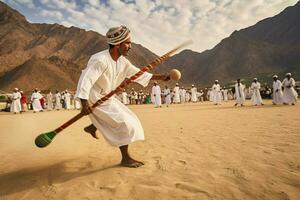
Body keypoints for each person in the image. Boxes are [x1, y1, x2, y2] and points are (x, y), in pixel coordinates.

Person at [75, 25, 170, 168]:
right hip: (93, 96)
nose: (130, 46)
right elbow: (86, 80)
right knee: (126, 124)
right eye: (127, 43)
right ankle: (125, 158)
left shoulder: (122, 62)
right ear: (117, 44)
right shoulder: (100, 60)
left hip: (106, 97)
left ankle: (93, 126)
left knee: (131, 120)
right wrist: (84, 104)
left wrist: (161, 77)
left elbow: (137, 74)